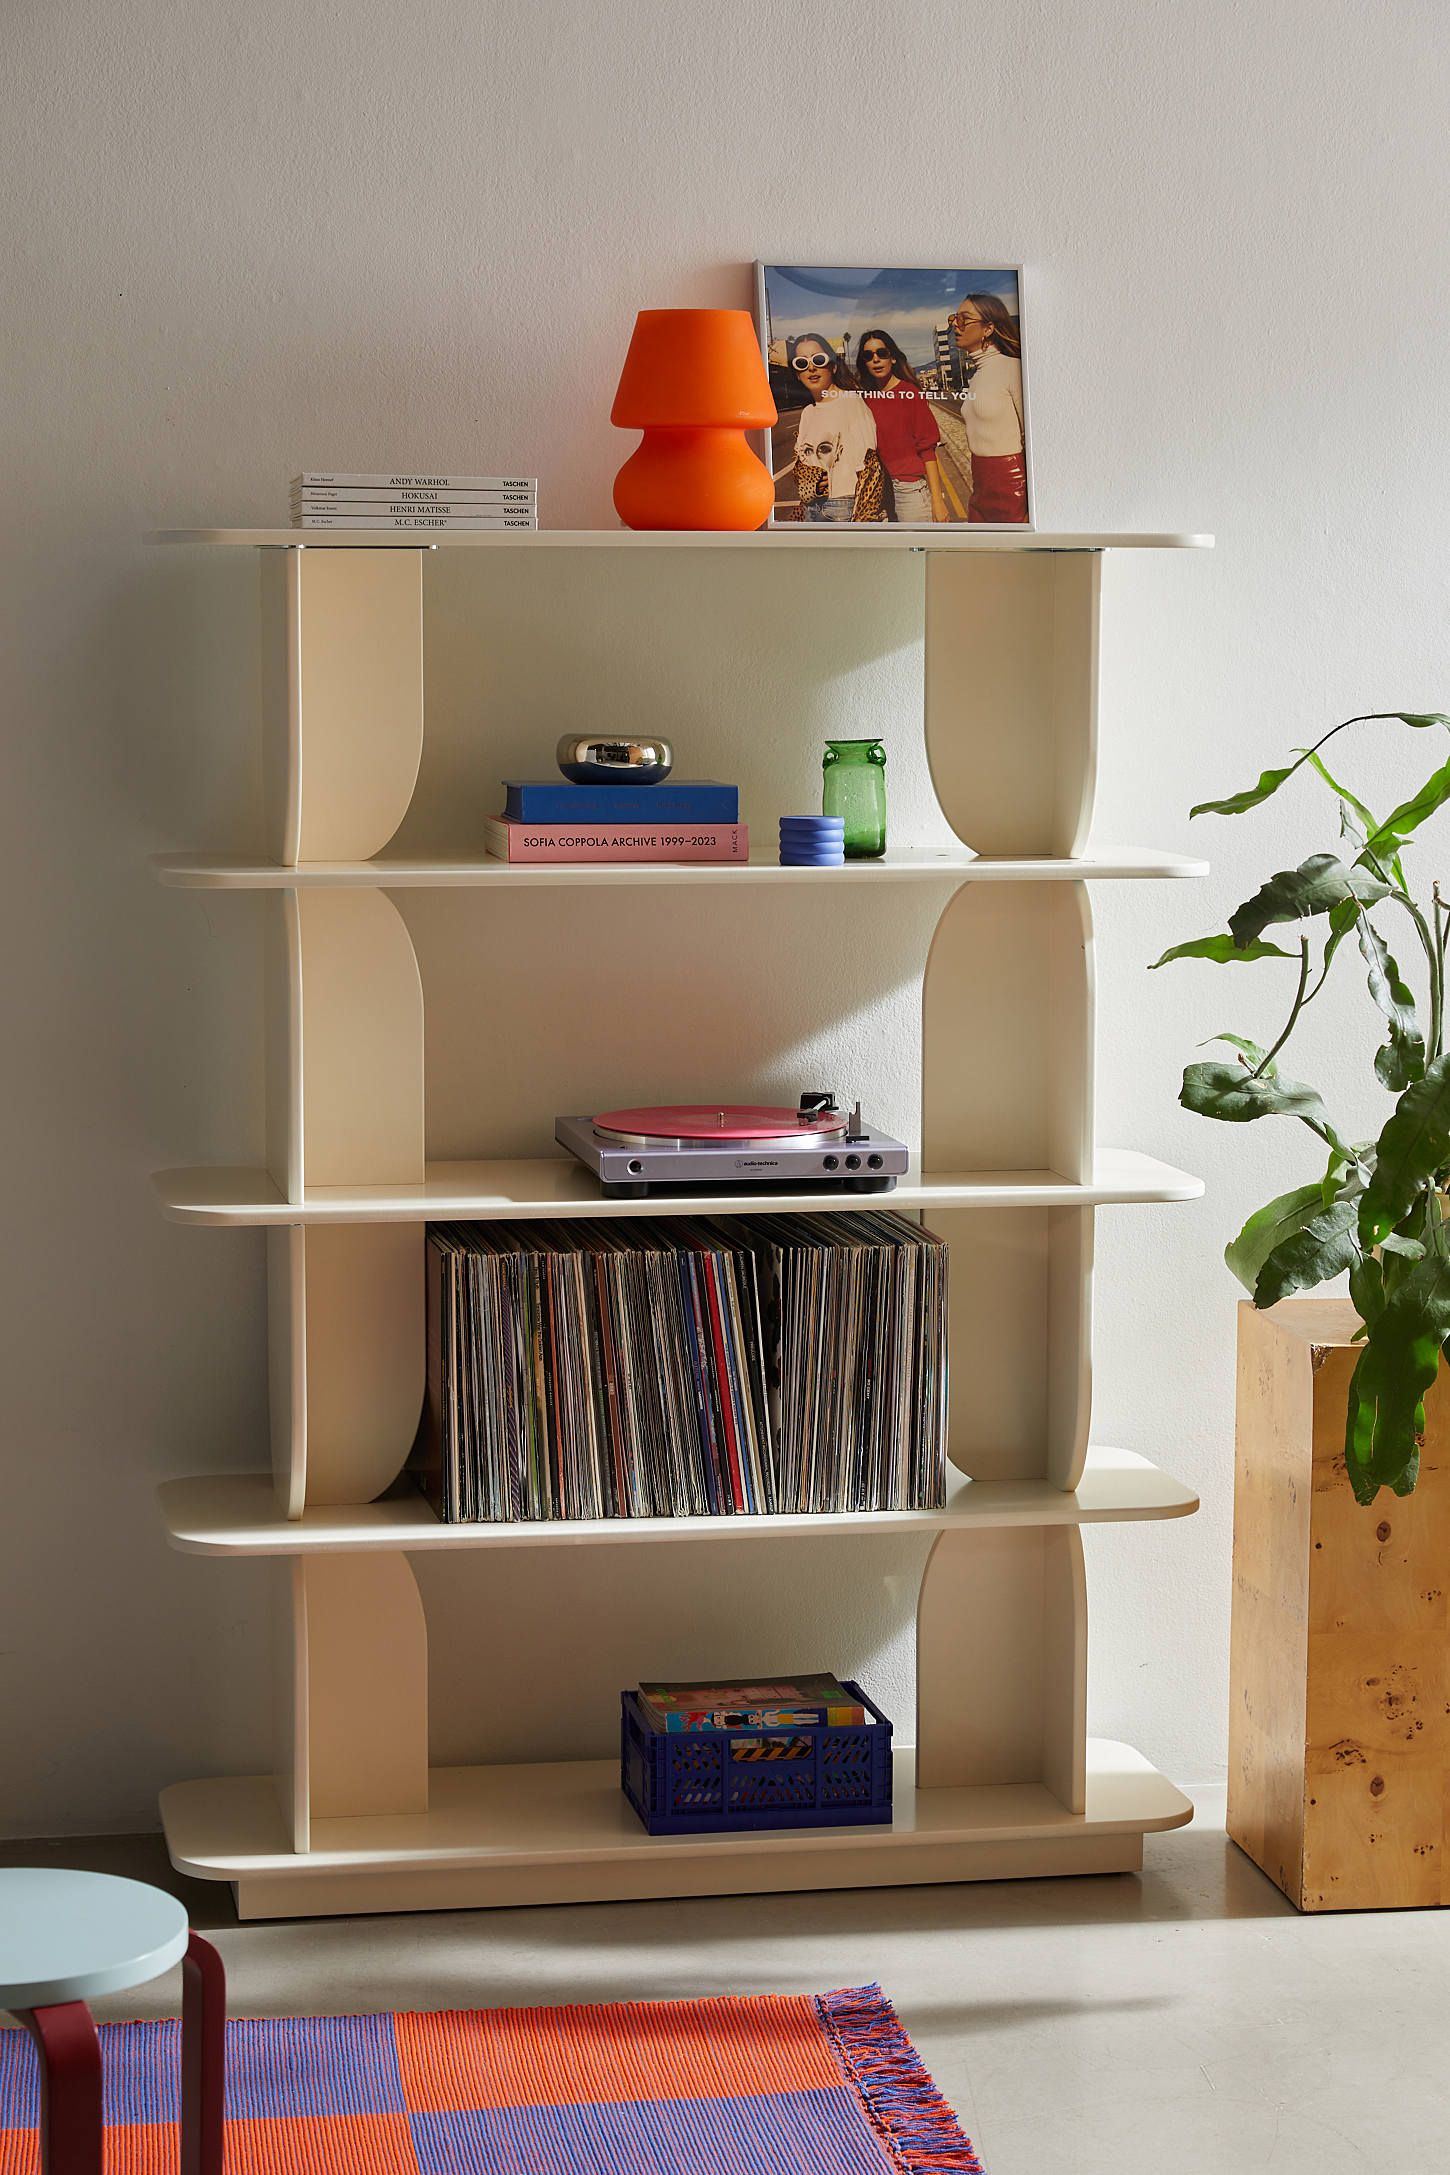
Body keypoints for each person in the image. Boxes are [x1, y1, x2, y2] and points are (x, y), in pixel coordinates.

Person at [778, 333, 885, 522]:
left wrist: (863, 519)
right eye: (802, 363)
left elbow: (869, 467)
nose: (811, 367)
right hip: (810, 506)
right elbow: (803, 462)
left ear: (833, 366)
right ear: (797, 373)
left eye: (818, 360)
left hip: (843, 506)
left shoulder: (851, 402)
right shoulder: (808, 412)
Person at [855, 328, 946, 523]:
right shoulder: (865, 398)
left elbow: (927, 450)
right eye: (868, 356)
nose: (876, 359)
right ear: (864, 363)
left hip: (909, 492)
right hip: (877, 494)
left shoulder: (909, 393)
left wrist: (937, 502)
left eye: (882, 353)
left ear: (893, 358)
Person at [951, 293, 1028, 523]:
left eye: (964, 319)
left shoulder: (1013, 368)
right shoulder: (977, 377)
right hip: (981, 483)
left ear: (988, 329)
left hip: (1012, 486)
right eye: (954, 318)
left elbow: (1036, 442)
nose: (956, 324)